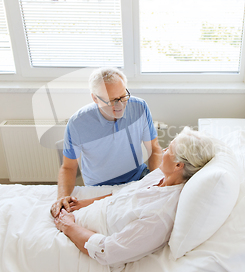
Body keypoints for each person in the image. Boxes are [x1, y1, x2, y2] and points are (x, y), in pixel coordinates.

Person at [54, 127, 216, 272]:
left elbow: (107, 250)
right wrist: (85, 203)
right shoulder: (160, 175)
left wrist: (67, 226)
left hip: (84, 236)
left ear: (178, 165)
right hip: (88, 214)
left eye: (169, 149)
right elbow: (124, 194)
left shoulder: (159, 215)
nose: (164, 150)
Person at [51, 67, 163, 218]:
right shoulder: (77, 123)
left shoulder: (140, 107)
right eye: (112, 101)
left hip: (138, 177)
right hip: (100, 186)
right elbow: (68, 167)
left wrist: (156, 179)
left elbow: (154, 149)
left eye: (123, 96)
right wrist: (62, 197)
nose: (120, 105)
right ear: (95, 98)